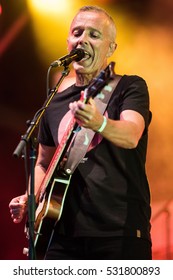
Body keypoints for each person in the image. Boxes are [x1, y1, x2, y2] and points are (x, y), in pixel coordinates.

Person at [9, 5, 152, 260]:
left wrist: (100, 124)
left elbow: (131, 135)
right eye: (77, 33)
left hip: (118, 233)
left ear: (110, 48)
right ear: (68, 43)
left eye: (94, 35)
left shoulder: (129, 87)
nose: (83, 39)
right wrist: (32, 198)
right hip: (59, 236)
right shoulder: (54, 101)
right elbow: (43, 162)